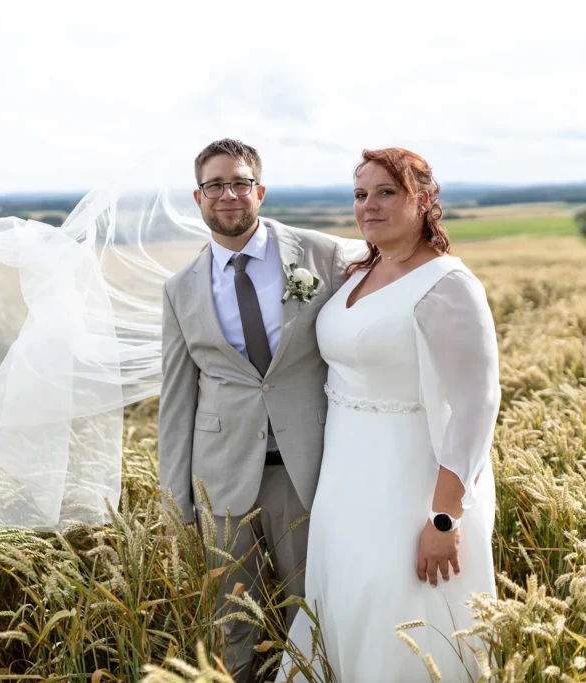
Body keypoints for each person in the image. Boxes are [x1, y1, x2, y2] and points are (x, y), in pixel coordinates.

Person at [282, 148, 501, 682]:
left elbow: (477, 405)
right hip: (345, 475)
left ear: (423, 200)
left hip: (411, 482)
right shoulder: (363, 267)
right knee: (347, 595)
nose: (369, 205)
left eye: (387, 192)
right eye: (360, 194)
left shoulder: (448, 284)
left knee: (401, 611)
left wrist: (444, 517)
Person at [157, 138, 352, 683]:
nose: (228, 194)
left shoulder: (321, 255)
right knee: (230, 622)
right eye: (215, 185)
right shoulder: (179, 290)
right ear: (198, 198)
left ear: (259, 190)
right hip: (219, 479)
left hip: (304, 469)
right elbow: (176, 401)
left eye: (240, 182)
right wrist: (177, 506)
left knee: (308, 608)